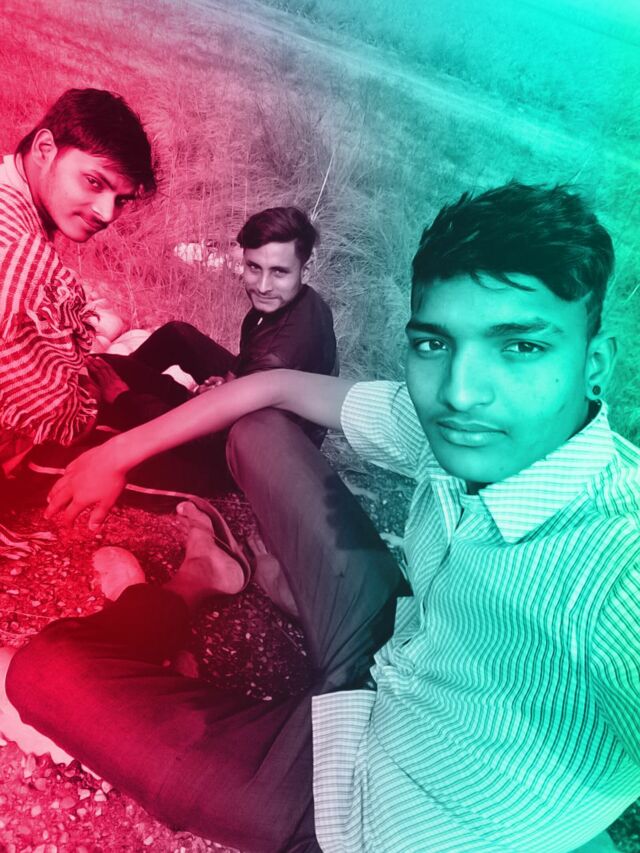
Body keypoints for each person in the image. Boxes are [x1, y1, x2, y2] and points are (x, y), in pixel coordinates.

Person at [5, 182, 639, 852]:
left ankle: (191, 588)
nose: (460, 391)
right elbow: (274, 387)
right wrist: (116, 453)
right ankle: (266, 589)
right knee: (258, 430)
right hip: (395, 644)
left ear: (594, 365)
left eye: (522, 347)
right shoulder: (450, 423)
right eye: (434, 343)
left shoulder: (616, 569)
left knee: (39, 674)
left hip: (356, 800)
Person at [34, 205, 337, 495]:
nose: (263, 285)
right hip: (258, 401)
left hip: (245, 455)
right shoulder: (294, 300)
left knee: (64, 456)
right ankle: (103, 393)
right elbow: (250, 365)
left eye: (279, 272)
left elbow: (209, 441)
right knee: (172, 337)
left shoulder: (277, 353)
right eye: (254, 267)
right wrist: (229, 382)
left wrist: (126, 400)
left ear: (306, 269)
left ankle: (113, 405)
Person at [0, 87, 156, 556]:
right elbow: (51, 410)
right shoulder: (19, 250)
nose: (107, 213)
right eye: (93, 182)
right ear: (45, 148)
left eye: (121, 199)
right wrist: (92, 398)